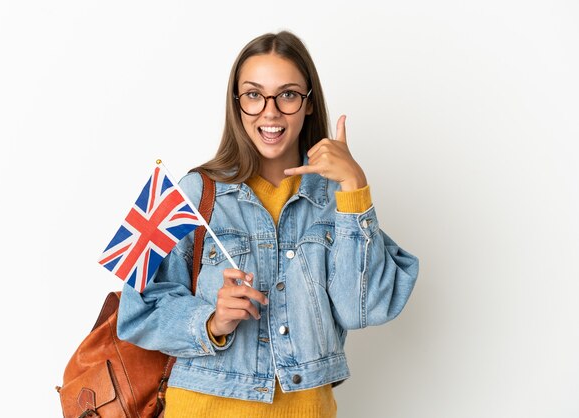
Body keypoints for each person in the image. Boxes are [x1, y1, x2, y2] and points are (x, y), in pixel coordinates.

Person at [117, 30, 419, 418]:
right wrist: (211, 320)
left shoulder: (338, 200)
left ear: (309, 104)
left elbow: (366, 309)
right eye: (254, 95)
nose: (270, 112)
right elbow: (135, 312)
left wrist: (354, 186)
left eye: (288, 94)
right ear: (237, 104)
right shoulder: (193, 191)